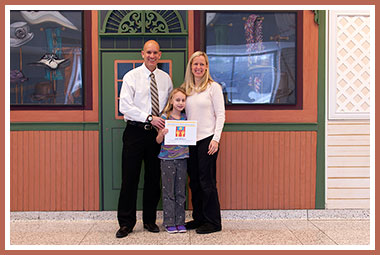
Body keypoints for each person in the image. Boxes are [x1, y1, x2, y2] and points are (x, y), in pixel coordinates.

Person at [116, 40, 173, 238]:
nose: (152, 56)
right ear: (142, 54)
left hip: (156, 135)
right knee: (129, 178)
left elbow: (168, 106)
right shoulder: (131, 76)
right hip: (135, 132)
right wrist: (149, 118)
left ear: (160, 54)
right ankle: (126, 223)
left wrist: (165, 122)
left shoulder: (165, 79)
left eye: (155, 52)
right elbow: (125, 106)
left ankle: (149, 220)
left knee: (153, 178)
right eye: (148, 52)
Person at [181, 51, 225, 234]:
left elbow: (220, 114)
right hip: (190, 140)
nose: (198, 67)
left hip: (208, 140)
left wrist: (216, 139)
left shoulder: (213, 87)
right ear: (191, 67)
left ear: (206, 67)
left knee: (207, 182)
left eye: (202, 64)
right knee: (194, 183)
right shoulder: (186, 89)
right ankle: (199, 218)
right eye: (195, 64)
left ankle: (213, 222)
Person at [156, 88, 189, 234]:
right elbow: (157, 141)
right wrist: (162, 134)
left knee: (181, 191)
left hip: (182, 159)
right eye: (177, 100)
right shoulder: (165, 118)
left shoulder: (186, 119)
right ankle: (169, 222)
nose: (180, 103)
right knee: (168, 191)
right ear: (171, 101)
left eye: (183, 100)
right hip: (167, 159)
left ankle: (180, 221)